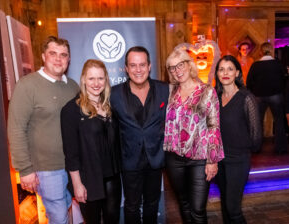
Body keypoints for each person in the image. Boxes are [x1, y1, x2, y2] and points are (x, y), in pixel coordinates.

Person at [8, 36, 79, 223]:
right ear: (43, 57)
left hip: (73, 166)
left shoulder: (73, 86)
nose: (58, 59)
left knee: (68, 211)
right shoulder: (27, 86)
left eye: (63, 55)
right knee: (58, 217)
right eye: (52, 53)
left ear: (69, 59)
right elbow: (16, 129)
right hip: (47, 170)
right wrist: (25, 170)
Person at [163, 48, 224, 223]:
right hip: (173, 157)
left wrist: (212, 160)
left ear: (190, 65)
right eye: (172, 68)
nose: (177, 70)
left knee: (198, 209)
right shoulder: (169, 92)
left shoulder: (207, 91)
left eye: (180, 65)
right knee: (184, 204)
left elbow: (214, 126)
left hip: (199, 157)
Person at [110, 46, 169, 224]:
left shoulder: (165, 90)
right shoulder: (113, 94)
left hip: (155, 158)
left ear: (149, 66)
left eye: (142, 65)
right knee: (132, 205)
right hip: (129, 161)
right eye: (133, 65)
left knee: (152, 203)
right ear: (126, 69)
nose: (138, 70)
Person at [61, 59, 121, 224]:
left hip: (113, 178)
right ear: (83, 80)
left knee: (113, 220)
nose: (96, 83)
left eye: (100, 78)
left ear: (106, 80)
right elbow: (70, 153)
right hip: (89, 180)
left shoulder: (109, 106)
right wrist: (77, 184)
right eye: (91, 78)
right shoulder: (71, 110)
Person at [215, 55, 262, 224]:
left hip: (238, 159)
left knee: (233, 208)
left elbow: (256, 137)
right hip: (219, 160)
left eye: (230, 69)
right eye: (221, 69)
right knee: (225, 207)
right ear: (217, 74)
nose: (225, 73)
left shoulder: (246, 98)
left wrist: (241, 147)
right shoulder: (215, 97)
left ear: (237, 73)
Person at [247, 42, 288, 154]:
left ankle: (256, 147)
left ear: (261, 51)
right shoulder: (278, 64)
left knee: (257, 122)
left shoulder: (255, 65)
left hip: (258, 96)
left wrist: (252, 92)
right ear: (271, 50)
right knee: (279, 121)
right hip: (276, 95)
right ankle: (281, 148)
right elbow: (284, 79)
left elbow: (249, 81)